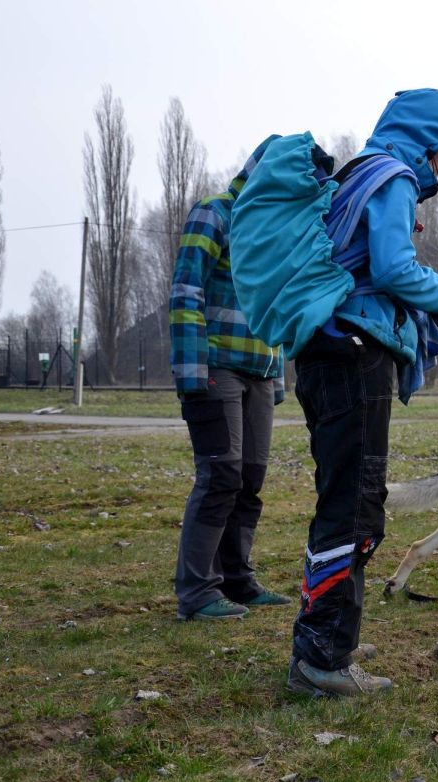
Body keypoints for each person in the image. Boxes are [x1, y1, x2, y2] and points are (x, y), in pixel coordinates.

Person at [231, 88, 438, 696]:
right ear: (426, 140)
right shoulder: (392, 177)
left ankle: (325, 639)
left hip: (323, 353)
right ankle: (322, 662)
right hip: (355, 353)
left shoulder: (360, 174)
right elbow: (391, 269)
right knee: (356, 508)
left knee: (343, 500)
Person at [169, 140, 293, 621]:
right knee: (220, 474)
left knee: (250, 479)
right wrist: (191, 371)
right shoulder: (214, 213)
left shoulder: (276, 233)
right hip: (216, 367)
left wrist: (277, 377)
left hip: (260, 372)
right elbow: (185, 291)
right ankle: (197, 592)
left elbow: (276, 306)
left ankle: (237, 582)